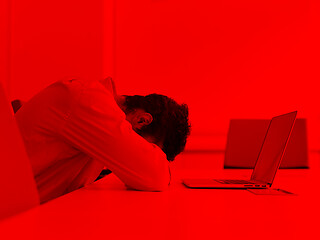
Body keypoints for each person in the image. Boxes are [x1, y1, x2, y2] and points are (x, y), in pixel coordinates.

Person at [14, 77, 191, 203]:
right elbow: (155, 175)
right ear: (142, 120)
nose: (140, 150)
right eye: (147, 148)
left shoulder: (93, 108)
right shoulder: (89, 101)